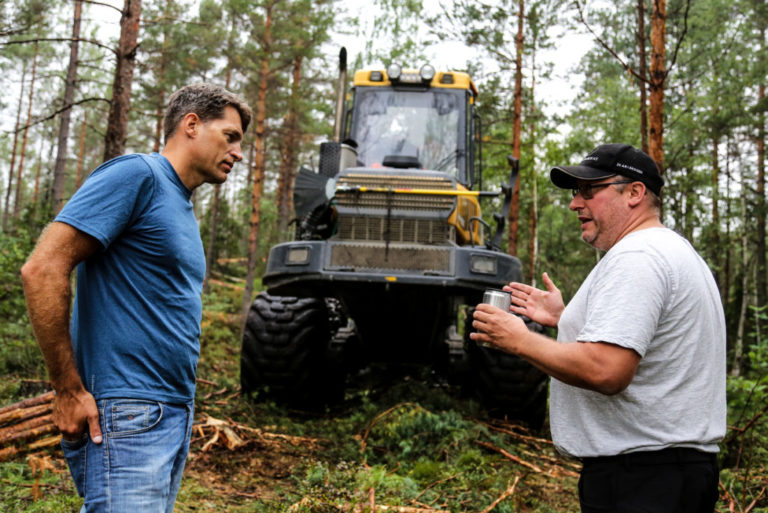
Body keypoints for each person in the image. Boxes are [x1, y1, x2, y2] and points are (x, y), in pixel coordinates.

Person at [21, 83, 251, 512]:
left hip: (170, 413)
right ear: (192, 124)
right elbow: (42, 268)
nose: (238, 153)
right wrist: (67, 389)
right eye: (231, 136)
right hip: (129, 414)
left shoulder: (178, 204)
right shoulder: (138, 175)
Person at [471, 143, 726, 512]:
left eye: (590, 191)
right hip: (666, 474)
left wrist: (519, 340)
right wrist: (567, 319)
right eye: (576, 192)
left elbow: (607, 370)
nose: (576, 203)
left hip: (644, 481)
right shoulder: (671, 250)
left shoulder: (637, 257)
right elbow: (653, 343)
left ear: (635, 193)